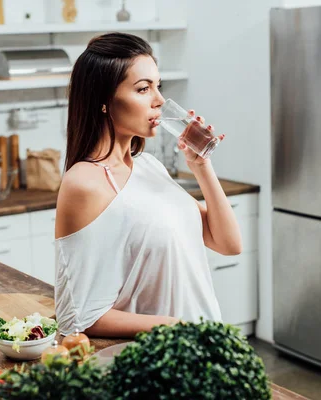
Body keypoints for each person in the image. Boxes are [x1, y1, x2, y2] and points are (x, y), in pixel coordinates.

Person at [54, 32, 242, 338]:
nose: (159, 101)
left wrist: (202, 166)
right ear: (104, 102)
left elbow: (229, 243)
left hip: (202, 347)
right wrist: (175, 326)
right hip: (159, 358)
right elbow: (77, 315)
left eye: (158, 86)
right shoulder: (85, 183)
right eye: (143, 89)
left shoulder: (148, 166)